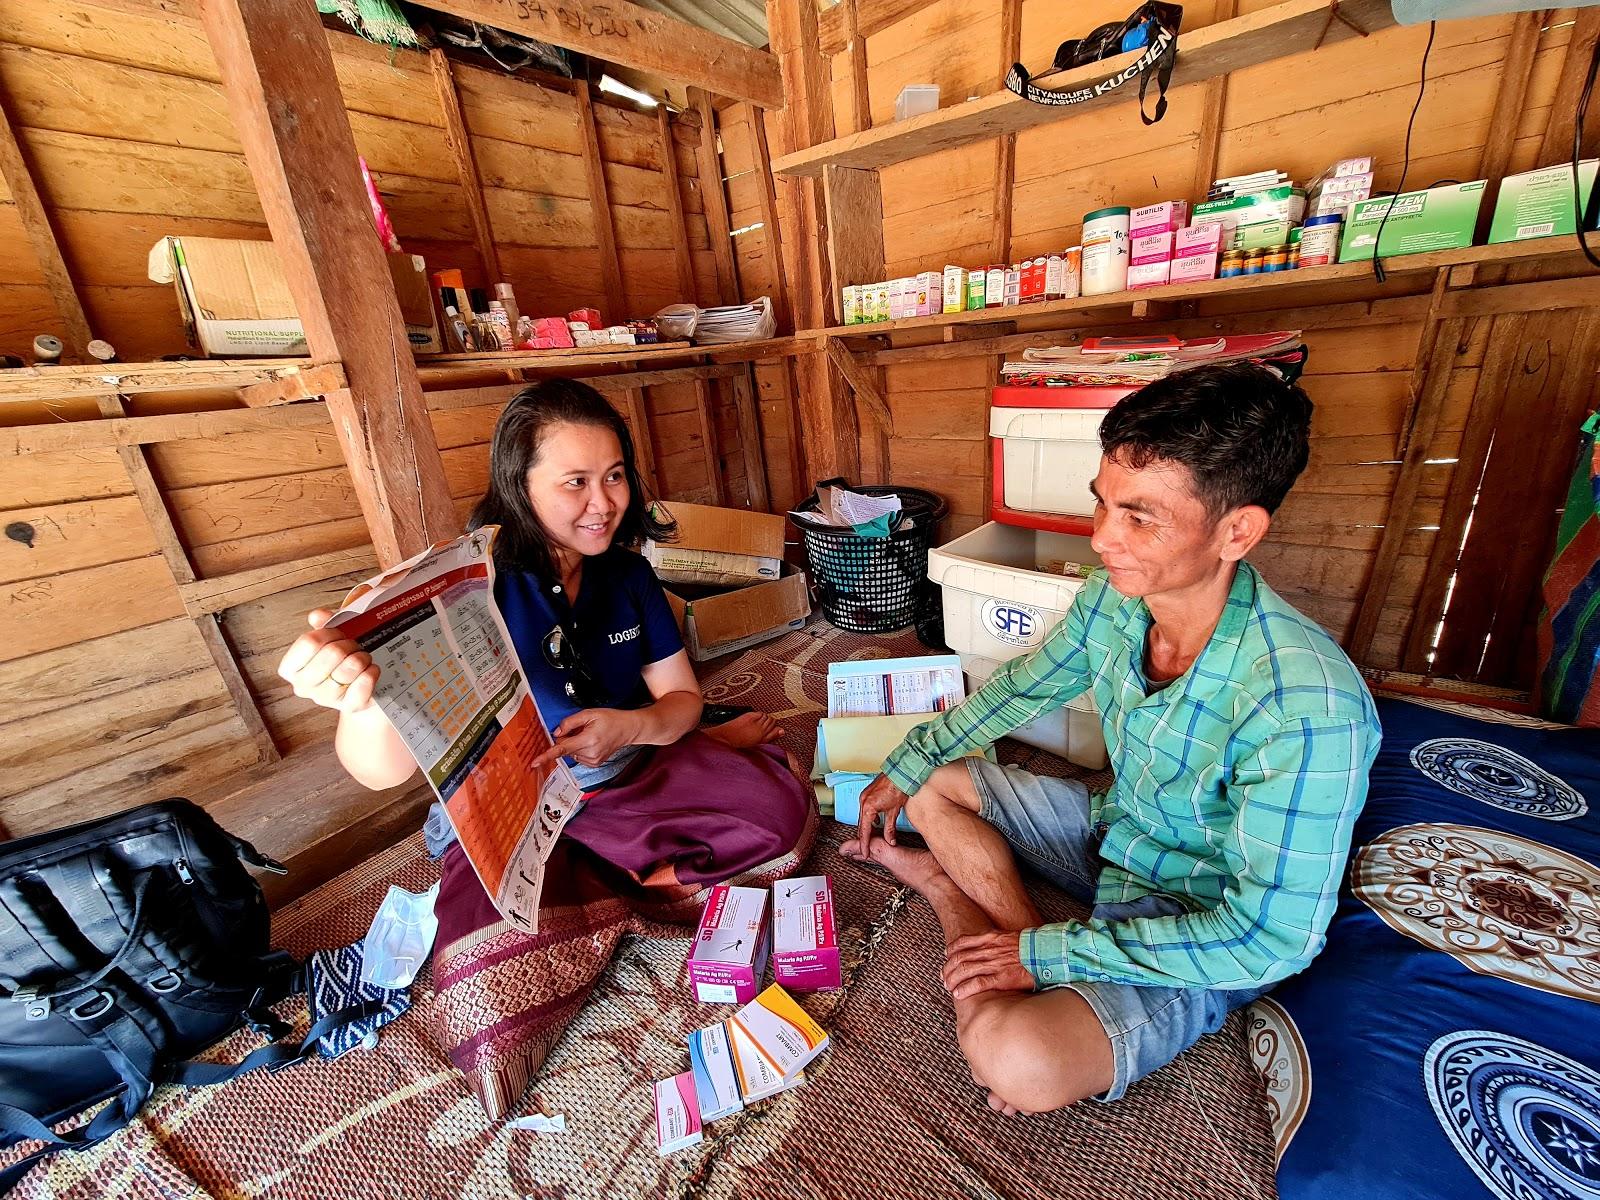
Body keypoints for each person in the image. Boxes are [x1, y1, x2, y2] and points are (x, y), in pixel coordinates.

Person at [848, 361, 1381, 1116]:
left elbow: (1274, 939)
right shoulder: (1115, 603)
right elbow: (1022, 687)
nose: (1101, 539)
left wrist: (1050, 954)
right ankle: (1012, 942)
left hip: (1200, 917)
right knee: (932, 778)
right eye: (1102, 505)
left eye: (1140, 517)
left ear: (1237, 530)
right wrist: (907, 763)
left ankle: (955, 898)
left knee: (1018, 1061)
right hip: (1118, 833)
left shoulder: (1306, 705)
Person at [278, 378, 816, 911]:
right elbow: (382, 773)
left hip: (627, 766)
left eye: (614, 477)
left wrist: (631, 726)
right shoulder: (473, 590)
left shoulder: (629, 575)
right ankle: (633, 863)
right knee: (499, 962)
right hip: (519, 807)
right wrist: (361, 700)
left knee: (778, 809)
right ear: (520, 486)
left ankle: (629, 857)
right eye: (575, 482)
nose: (603, 503)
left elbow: (682, 700)